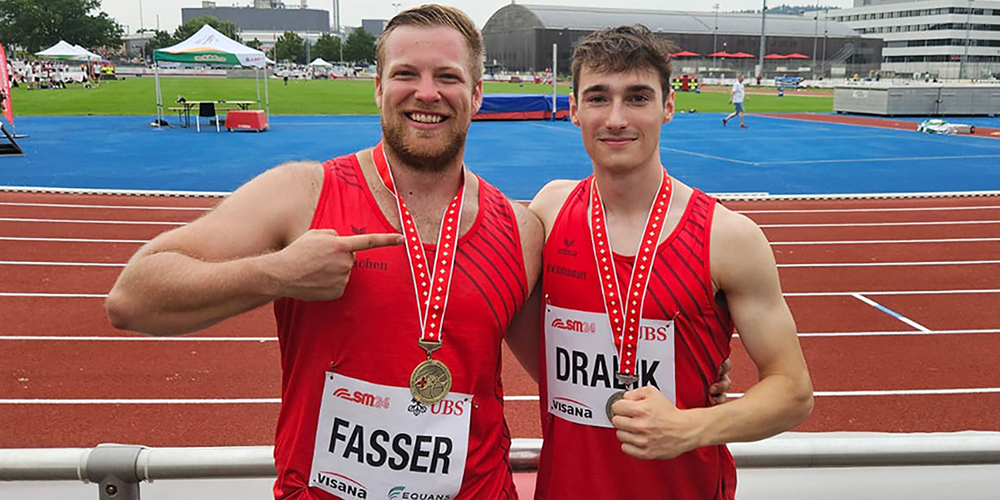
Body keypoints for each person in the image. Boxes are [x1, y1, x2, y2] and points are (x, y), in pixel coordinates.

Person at [106, 5, 545, 499]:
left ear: (477, 94)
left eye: (448, 76)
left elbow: (568, 382)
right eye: (406, 74)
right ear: (378, 87)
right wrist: (276, 274)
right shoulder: (302, 195)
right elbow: (131, 298)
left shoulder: (520, 231)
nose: (427, 93)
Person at [525, 25, 813, 499]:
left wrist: (691, 425)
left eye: (637, 97)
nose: (616, 118)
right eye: (598, 98)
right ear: (574, 109)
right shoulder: (549, 211)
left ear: (668, 107)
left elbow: (793, 391)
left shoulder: (727, 237)